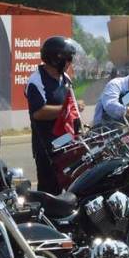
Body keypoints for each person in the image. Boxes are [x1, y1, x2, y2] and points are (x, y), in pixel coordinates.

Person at [26, 36, 80, 194]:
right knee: (49, 190)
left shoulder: (65, 78)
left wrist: (78, 127)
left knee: (72, 186)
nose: (70, 62)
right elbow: (38, 112)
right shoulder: (36, 81)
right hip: (48, 146)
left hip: (67, 142)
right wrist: (65, 109)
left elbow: (72, 108)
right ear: (56, 60)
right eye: (68, 58)